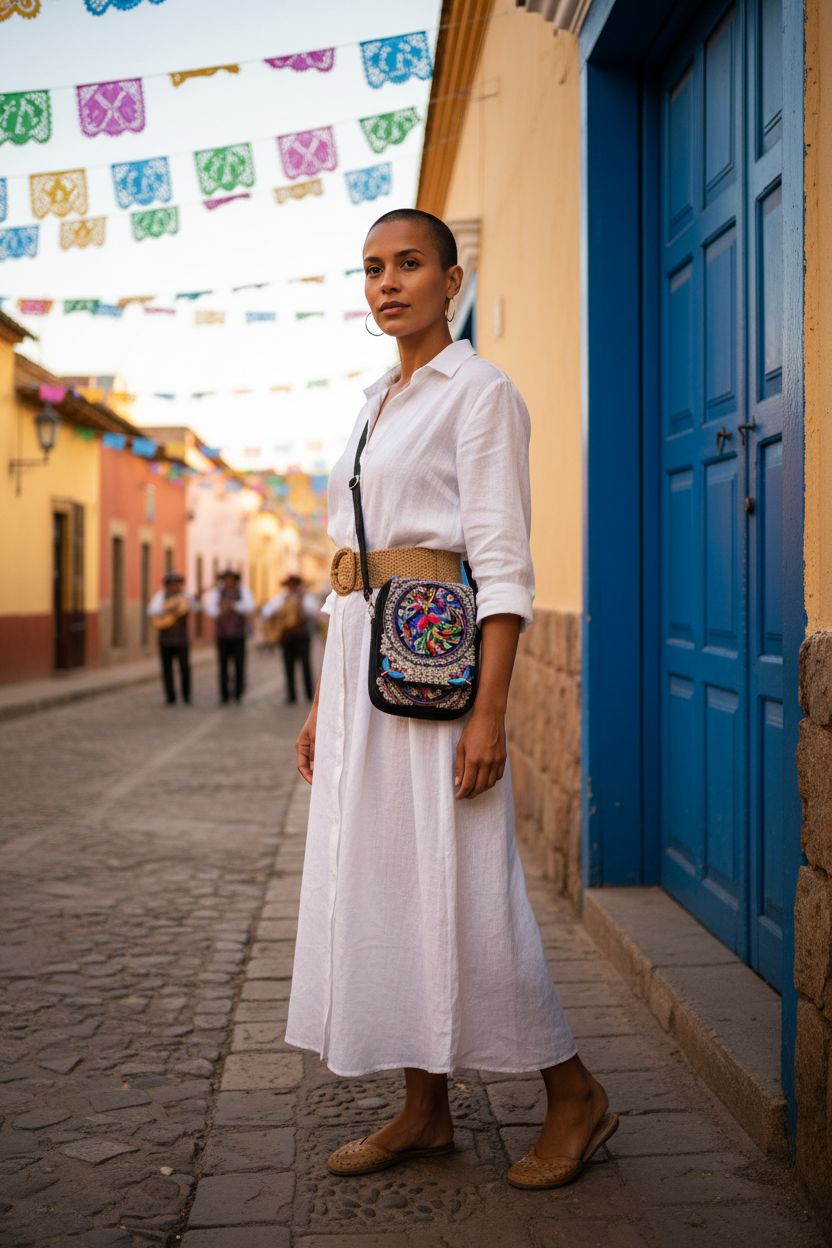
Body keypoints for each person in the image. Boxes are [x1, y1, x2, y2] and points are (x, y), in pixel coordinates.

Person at [285, 209, 616, 1190]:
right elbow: (355, 561)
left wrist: (491, 713)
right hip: (361, 671)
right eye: (372, 269)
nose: (388, 284)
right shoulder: (372, 401)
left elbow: (503, 562)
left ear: (452, 279)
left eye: (409, 265)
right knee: (385, 888)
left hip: (434, 678)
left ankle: (574, 1093)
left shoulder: (479, 393)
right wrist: (318, 707)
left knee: (467, 888)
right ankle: (424, 1110)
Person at [261, 574, 319, 704]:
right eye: (289, 585)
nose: (291, 587)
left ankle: (309, 694)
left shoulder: (306, 598)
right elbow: (266, 611)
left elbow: (312, 611)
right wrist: (277, 616)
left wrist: (301, 606)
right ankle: (291, 695)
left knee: (305, 665)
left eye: (294, 584)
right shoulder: (281, 599)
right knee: (288, 665)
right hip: (287, 637)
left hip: (302, 636)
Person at [204, 569, 255, 704]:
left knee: (239, 664)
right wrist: (221, 610)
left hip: (238, 636)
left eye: (231, 579)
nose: (229, 581)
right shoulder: (217, 593)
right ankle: (224, 695)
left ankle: (238, 693)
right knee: (223, 666)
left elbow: (249, 606)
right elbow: (211, 610)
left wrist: (234, 606)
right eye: (226, 579)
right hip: (222, 636)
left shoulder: (243, 592)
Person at [147, 570, 192, 706]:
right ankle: (170, 696)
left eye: (176, 584)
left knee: (184, 667)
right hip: (165, 639)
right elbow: (151, 610)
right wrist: (167, 608)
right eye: (171, 584)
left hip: (181, 639)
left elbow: (188, 608)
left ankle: (186, 696)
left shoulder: (185, 597)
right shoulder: (160, 596)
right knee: (167, 669)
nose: (173, 586)